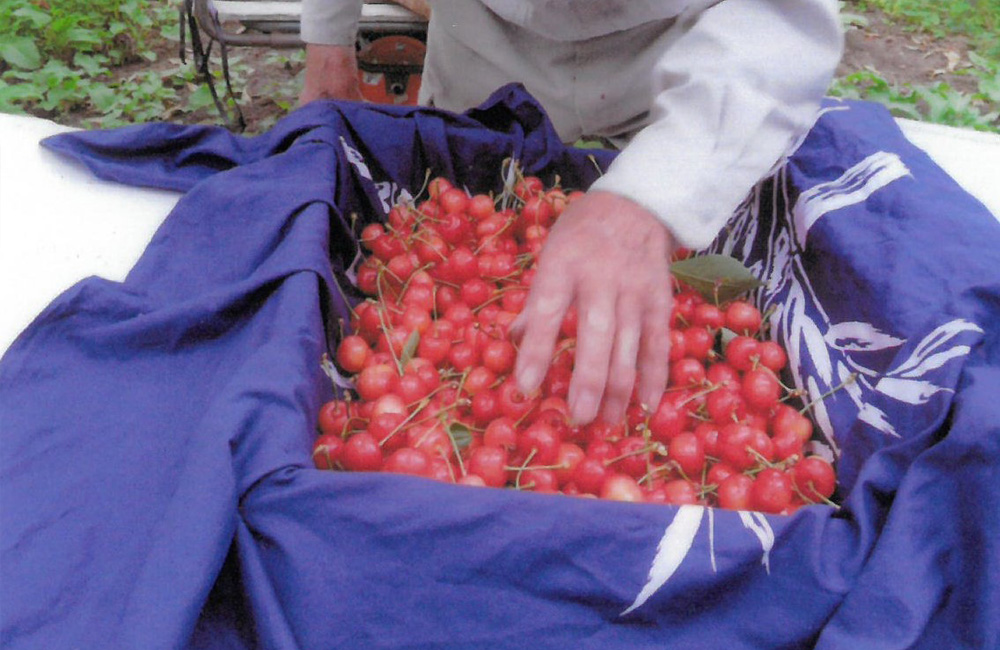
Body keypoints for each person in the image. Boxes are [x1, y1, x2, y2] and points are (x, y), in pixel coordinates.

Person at [299, 0, 845, 427]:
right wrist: (327, 41)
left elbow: (782, 19)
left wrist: (654, 195)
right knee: (457, 200)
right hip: (483, 31)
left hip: (674, 39)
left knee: (681, 234)